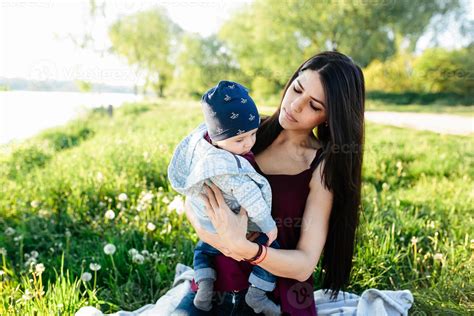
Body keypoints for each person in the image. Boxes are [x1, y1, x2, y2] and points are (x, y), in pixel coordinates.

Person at [172, 51, 366, 315]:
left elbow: (304, 264)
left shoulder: (322, 166)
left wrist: (246, 249)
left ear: (331, 116)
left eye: (314, 106)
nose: (296, 105)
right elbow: (192, 198)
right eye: (297, 89)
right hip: (212, 289)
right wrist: (225, 241)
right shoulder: (244, 132)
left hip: (274, 302)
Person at [168, 80, 281, 315]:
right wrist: (268, 226)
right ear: (216, 136)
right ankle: (257, 294)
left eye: (253, 134)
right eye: (240, 140)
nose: (249, 143)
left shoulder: (205, 147)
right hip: (239, 225)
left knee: (202, 251)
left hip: (210, 227)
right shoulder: (224, 167)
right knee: (272, 246)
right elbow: (250, 196)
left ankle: (205, 284)